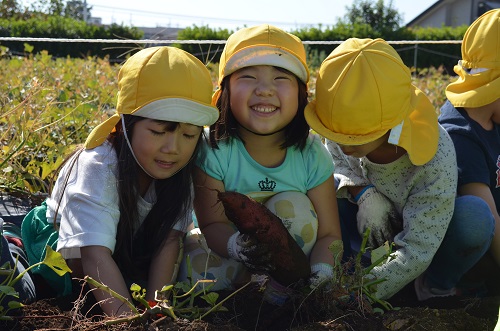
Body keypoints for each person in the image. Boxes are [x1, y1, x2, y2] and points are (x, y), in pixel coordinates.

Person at [20, 46, 219, 316]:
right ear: (127, 124)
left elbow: (169, 241)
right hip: (66, 251)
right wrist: (126, 319)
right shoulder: (99, 166)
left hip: (123, 249)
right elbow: (93, 254)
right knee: (45, 286)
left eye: (189, 135)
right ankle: (13, 246)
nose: (174, 148)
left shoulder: (182, 171)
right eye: (159, 131)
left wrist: (156, 309)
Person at [304, 37, 495, 301]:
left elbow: (418, 247)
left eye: (355, 139)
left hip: (423, 239)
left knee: (473, 217)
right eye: (338, 135)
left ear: (391, 123)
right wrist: (363, 192)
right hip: (364, 232)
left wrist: (359, 295)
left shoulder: (435, 155)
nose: (344, 145)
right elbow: (336, 163)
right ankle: (339, 273)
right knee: (320, 196)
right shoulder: (342, 125)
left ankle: (430, 288)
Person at [178, 24, 342, 306]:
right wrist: (236, 247)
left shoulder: (312, 153)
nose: (265, 90)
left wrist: (322, 272)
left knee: (294, 207)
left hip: (290, 266)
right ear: (225, 91)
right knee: (193, 264)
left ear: (302, 94)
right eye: (249, 76)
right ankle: (238, 303)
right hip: (230, 253)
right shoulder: (214, 148)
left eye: (280, 78)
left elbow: (329, 234)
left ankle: (285, 296)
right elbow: (211, 222)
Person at [438, 8, 500, 277]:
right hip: (473, 245)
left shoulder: (493, 117)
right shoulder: (459, 133)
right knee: (477, 219)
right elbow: (492, 221)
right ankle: (441, 284)